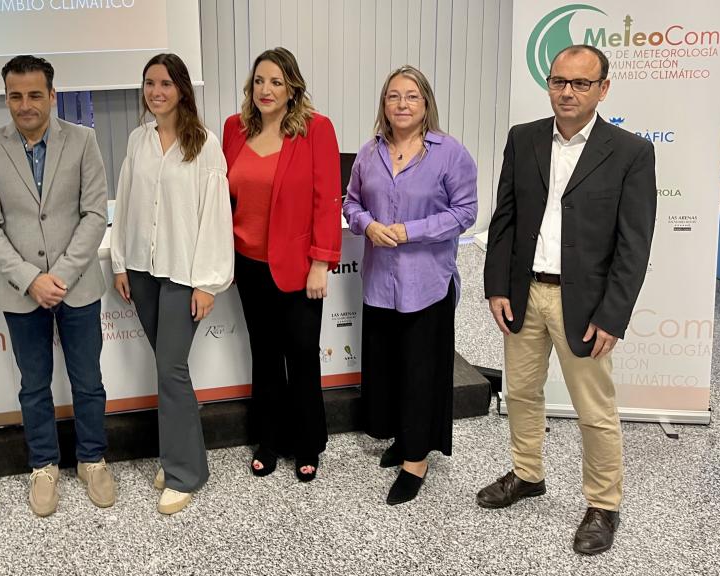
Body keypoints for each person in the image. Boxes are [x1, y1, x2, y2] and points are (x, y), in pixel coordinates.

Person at [480, 44, 656, 555]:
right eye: (559, 81)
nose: (567, 92)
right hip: (524, 292)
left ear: (604, 89)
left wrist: (613, 315)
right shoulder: (524, 138)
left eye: (581, 83)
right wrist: (495, 285)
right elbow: (505, 219)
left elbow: (634, 243)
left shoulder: (630, 152)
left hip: (586, 303)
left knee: (593, 409)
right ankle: (528, 474)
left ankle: (603, 504)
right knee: (520, 393)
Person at [0, 55, 114, 517]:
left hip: (79, 285)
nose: (25, 104)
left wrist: (63, 275)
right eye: (16, 95)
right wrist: (32, 280)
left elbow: (95, 214)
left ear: (53, 95)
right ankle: (43, 466)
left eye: (35, 94)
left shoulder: (84, 140)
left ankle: (92, 459)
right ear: (6, 97)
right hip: (20, 290)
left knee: (88, 381)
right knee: (33, 385)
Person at [343, 66, 477, 505]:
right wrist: (367, 224)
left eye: (412, 96)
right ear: (384, 104)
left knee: (422, 373)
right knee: (390, 368)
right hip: (381, 282)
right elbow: (352, 202)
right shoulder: (369, 153)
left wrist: (408, 231)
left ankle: (417, 459)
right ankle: (403, 437)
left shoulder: (449, 153)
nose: (402, 104)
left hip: (428, 284)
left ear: (426, 105)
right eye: (393, 96)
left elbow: (465, 213)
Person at [110, 53, 234, 515]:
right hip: (142, 271)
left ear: (182, 88)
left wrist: (207, 283)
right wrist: (121, 262)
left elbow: (214, 217)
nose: (155, 92)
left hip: (185, 274)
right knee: (167, 369)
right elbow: (126, 203)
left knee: (171, 370)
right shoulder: (138, 141)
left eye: (165, 83)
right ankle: (179, 455)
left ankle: (184, 473)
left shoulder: (205, 145)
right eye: (149, 83)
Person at [222, 47, 341, 482]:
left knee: (303, 357)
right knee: (265, 356)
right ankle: (268, 440)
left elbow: (327, 201)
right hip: (249, 266)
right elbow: (225, 199)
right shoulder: (234, 129)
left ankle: (308, 442)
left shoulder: (316, 130)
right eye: (259, 81)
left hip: (298, 269)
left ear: (292, 87)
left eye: (276, 81)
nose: (266, 90)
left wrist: (321, 263)